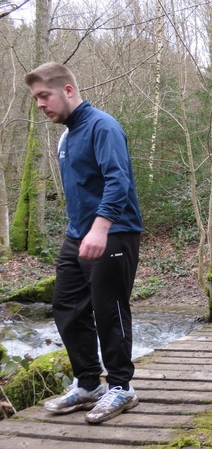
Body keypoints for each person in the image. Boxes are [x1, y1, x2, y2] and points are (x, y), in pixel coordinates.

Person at [25, 62, 143, 424]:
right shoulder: (66, 135)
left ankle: (121, 387)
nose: (41, 105)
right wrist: (80, 229)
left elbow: (117, 180)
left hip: (114, 231)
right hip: (78, 234)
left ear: (68, 90)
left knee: (110, 310)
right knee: (67, 307)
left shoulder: (102, 126)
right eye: (36, 99)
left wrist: (100, 227)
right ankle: (89, 383)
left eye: (45, 96)